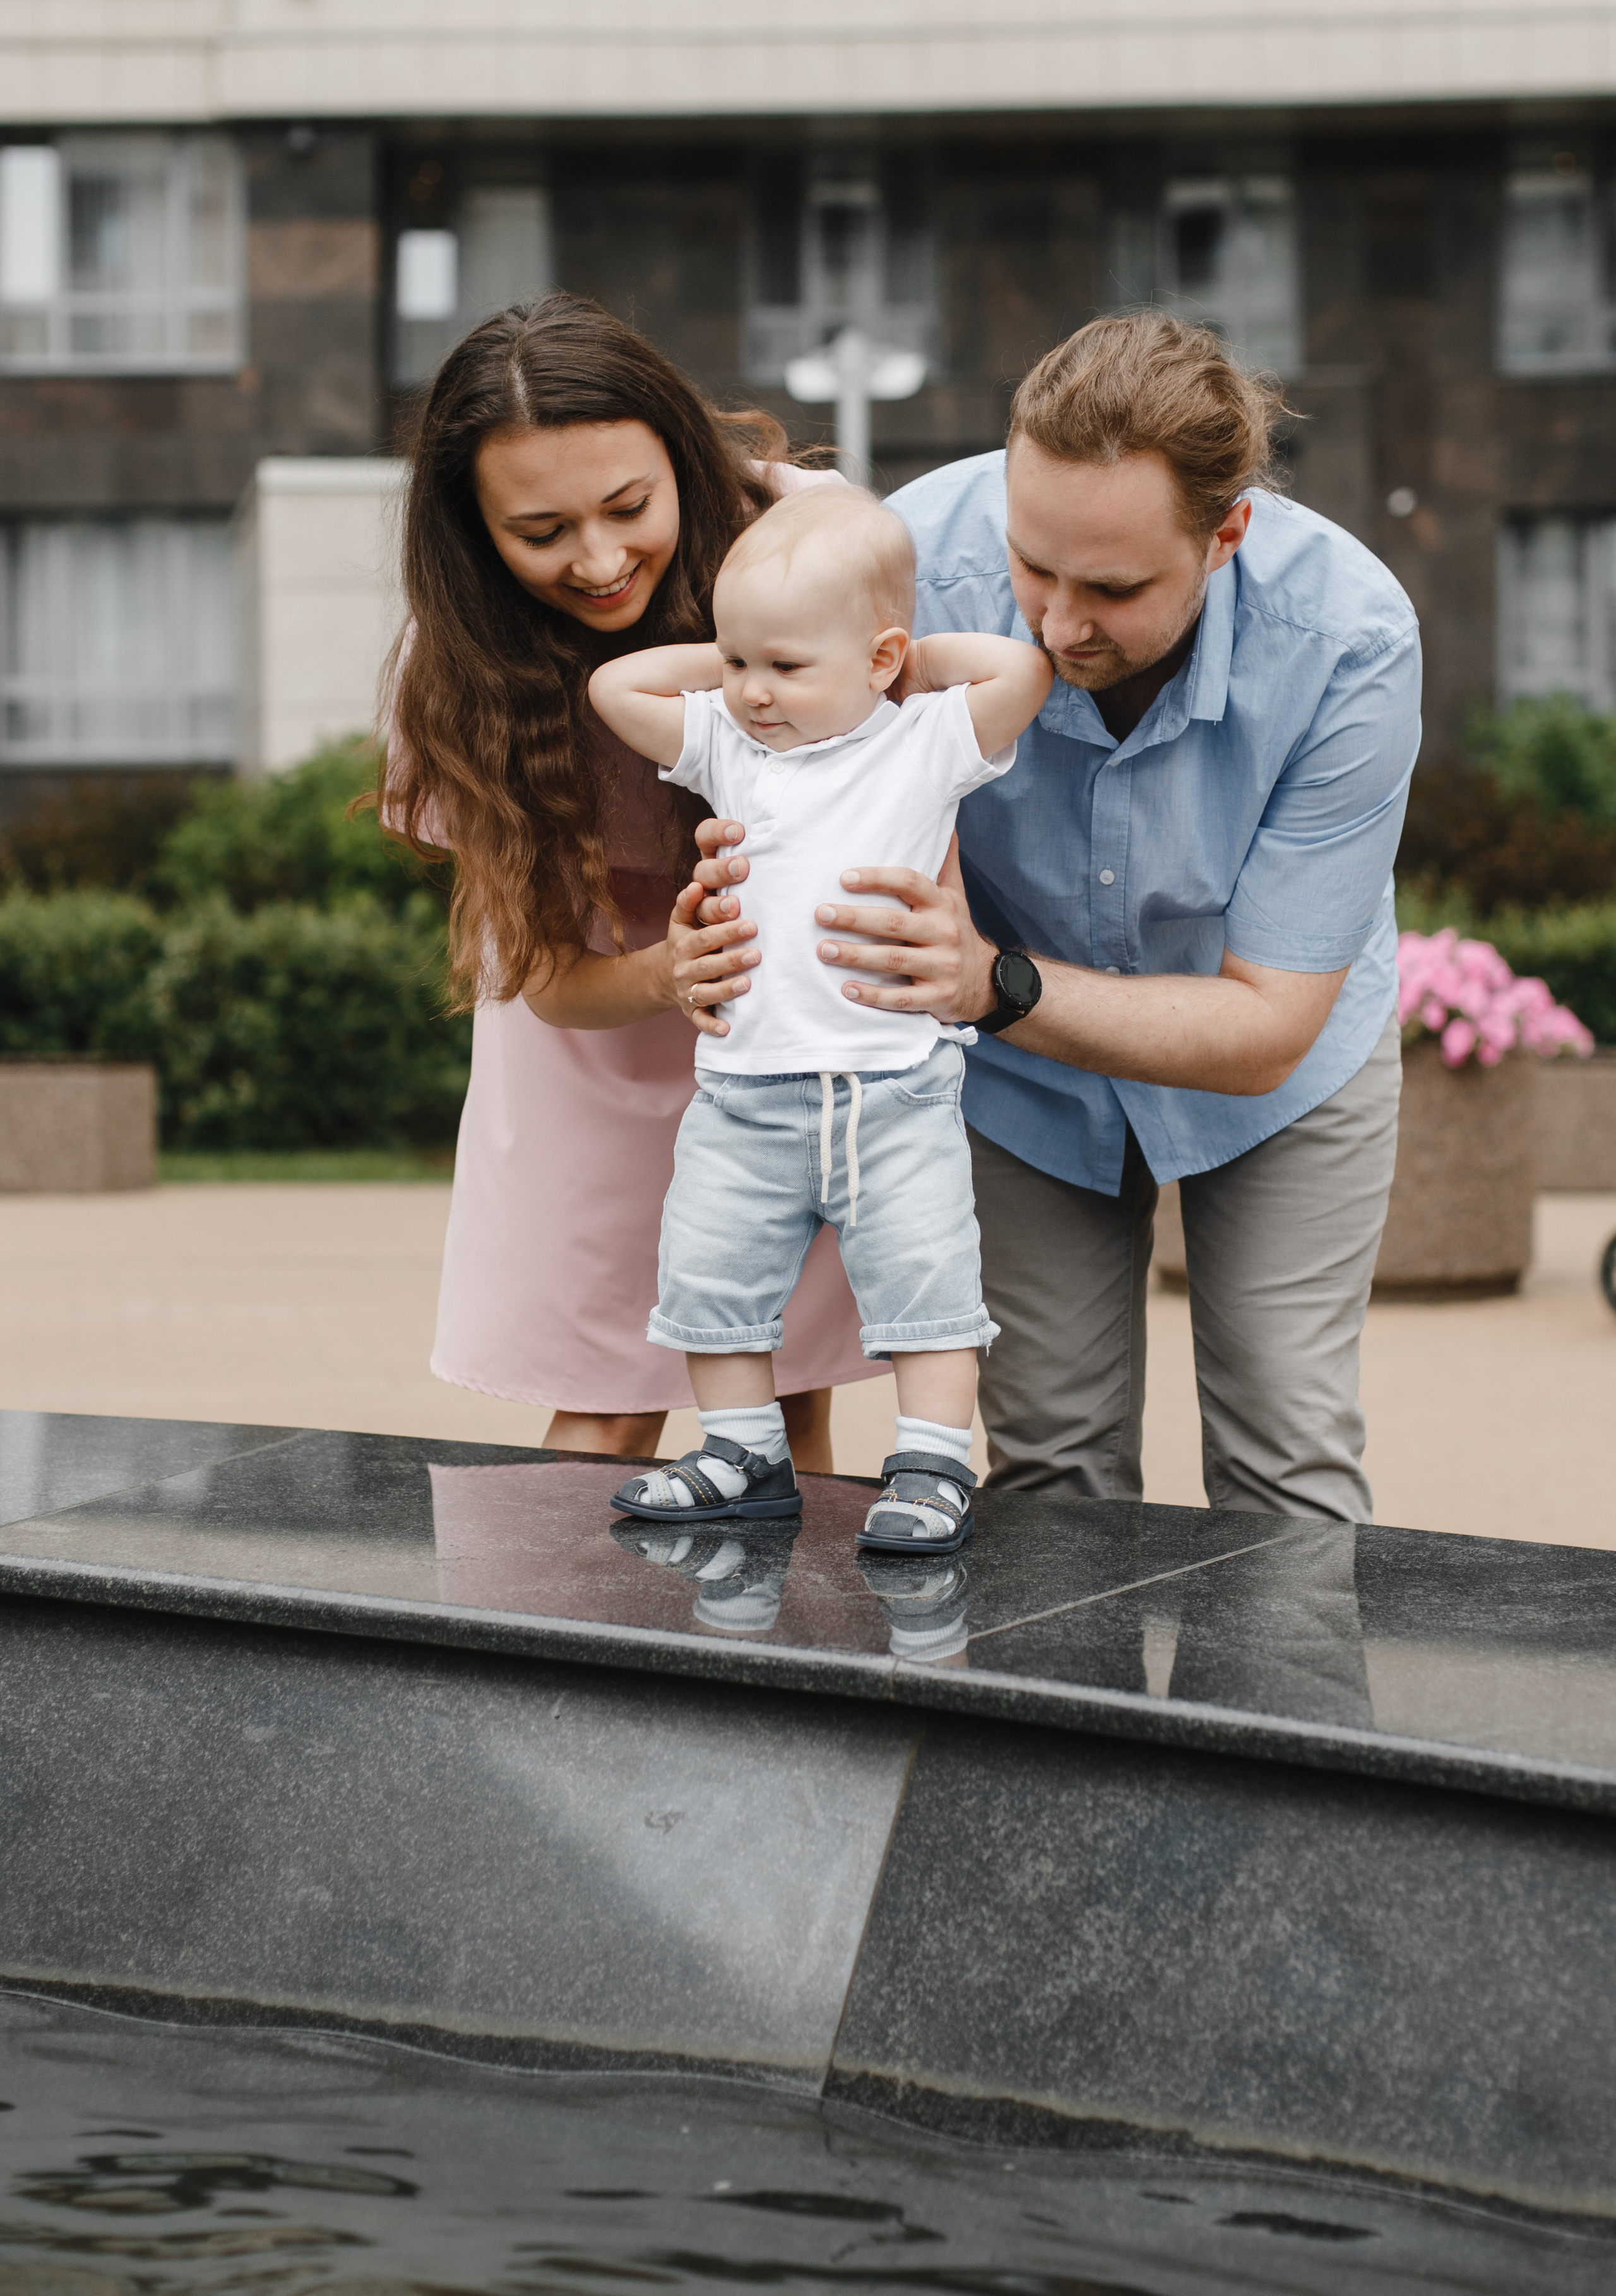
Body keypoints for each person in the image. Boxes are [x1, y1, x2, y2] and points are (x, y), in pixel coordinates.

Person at [679, 313, 1422, 1525]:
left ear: (1225, 533)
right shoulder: (912, 559)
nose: (1058, 624)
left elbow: (1269, 1027)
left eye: (1115, 587)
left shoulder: (1354, 637)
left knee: (1285, 1458)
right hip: (1015, 1082)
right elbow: (791, 755)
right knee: (1054, 1469)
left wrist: (991, 985)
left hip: (1271, 1073)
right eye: (1033, 565)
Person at [383, 293, 869, 1467]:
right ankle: (550, 1653)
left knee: (786, 1380)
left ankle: (783, 1648)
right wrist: (665, 968)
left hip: (786, 1019)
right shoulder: (456, 669)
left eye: (628, 508)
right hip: (598, 1024)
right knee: (609, 1392)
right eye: (541, 532)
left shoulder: (814, 540)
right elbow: (550, 976)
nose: (599, 562)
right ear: (474, 535)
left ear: (684, 462)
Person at [586, 486, 1051, 1547]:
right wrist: (755, 654)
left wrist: (897, 669)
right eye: (739, 662)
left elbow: (1023, 670)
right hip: (747, 1094)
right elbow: (616, 686)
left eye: (786, 669)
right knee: (709, 1276)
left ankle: (934, 1464)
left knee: (928, 1284)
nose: (752, 691)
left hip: (893, 1090)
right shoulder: (734, 748)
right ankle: (743, 1450)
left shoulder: (925, 739)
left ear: (883, 659)